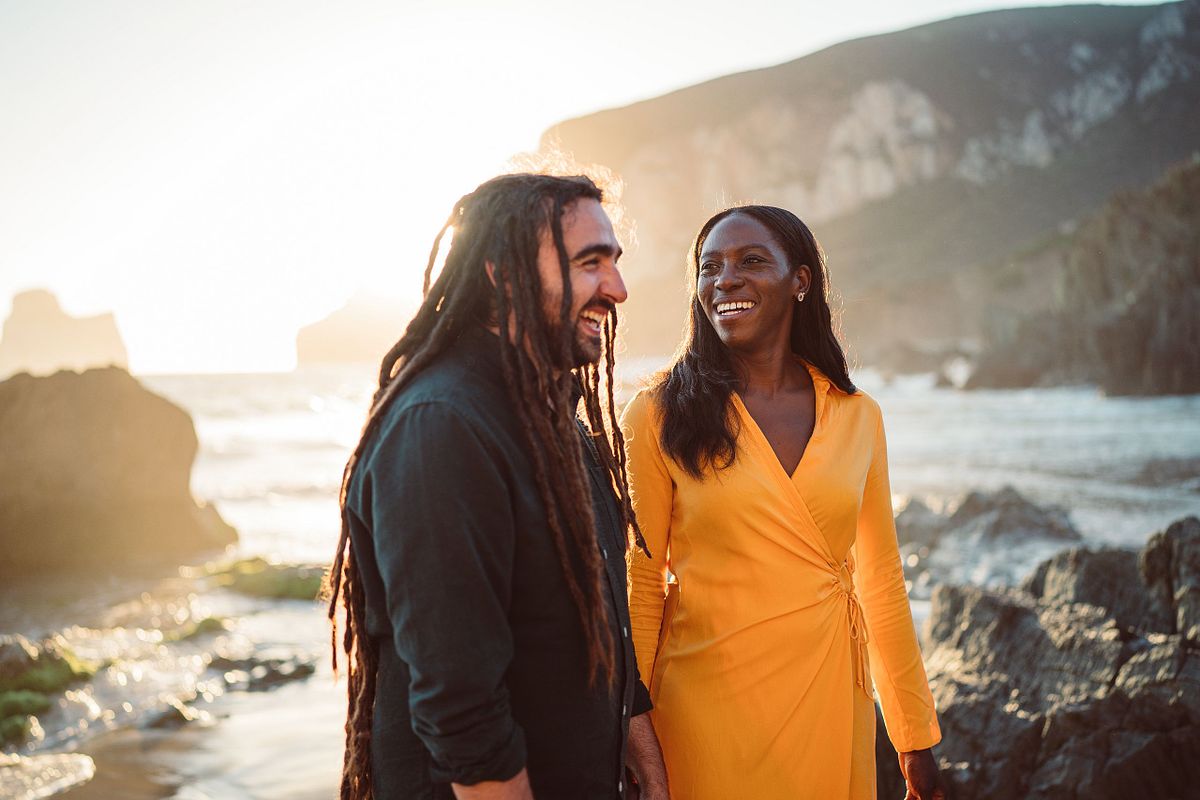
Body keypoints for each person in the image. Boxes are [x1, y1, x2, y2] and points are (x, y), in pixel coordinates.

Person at [327, 173, 668, 800]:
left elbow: (590, 611)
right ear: (500, 273)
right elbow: (462, 711)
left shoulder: (552, 417)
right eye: (589, 264)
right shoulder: (441, 428)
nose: (616, 288)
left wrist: (635, 728)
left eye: (614, 263)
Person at [622, 205, 945, 799]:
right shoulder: (659, 414)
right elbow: (641, 583)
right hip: (701, 715)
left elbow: (881, 580)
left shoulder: (858, 416)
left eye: (750, 261)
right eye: (709, 266)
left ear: (801, 281)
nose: (725, 280)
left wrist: (913, 735)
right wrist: (629, 726)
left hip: (828, 703)